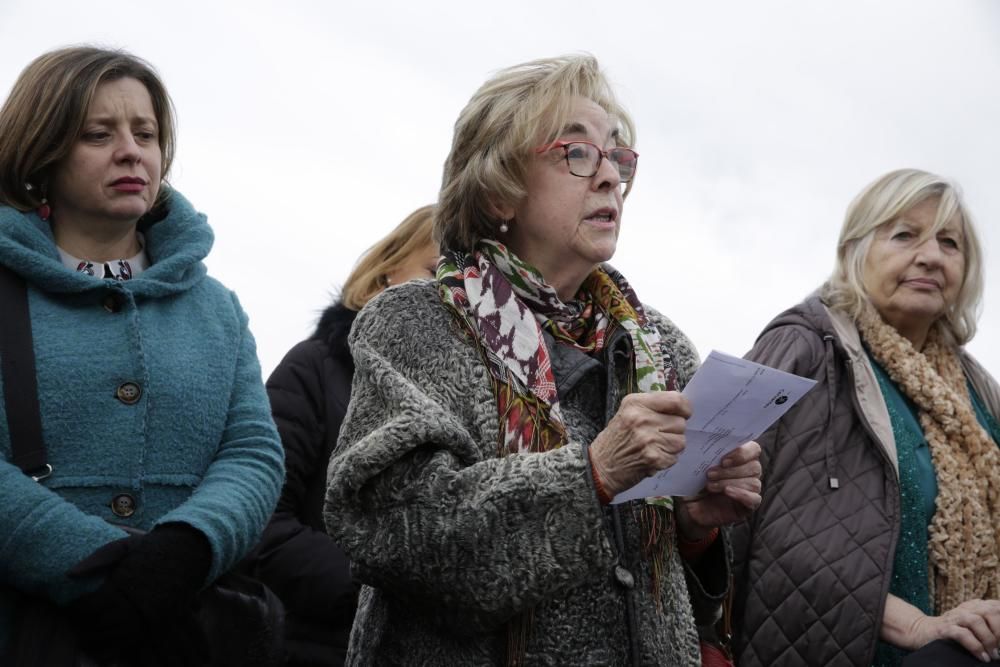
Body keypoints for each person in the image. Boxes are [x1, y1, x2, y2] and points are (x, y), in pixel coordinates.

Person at [322, 54, 762, 666]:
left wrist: (695, 527)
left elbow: (674, 600)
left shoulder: (660, 346)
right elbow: (391, 536)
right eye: (577, 153)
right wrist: (594, 475)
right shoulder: (416, 322)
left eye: (617, 156)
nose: (609, 176)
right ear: (500, 187)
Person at [0, 47, 285, 665]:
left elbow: (253, 453)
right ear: (41, 152)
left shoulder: (216, 306)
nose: (131, 151)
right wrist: (92, 570)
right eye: (98, 134)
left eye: (146, 133)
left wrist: (183, 552)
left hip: (189, 624)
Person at [731, 168, 1000, 666]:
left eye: (949, 242)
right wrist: (920, 627)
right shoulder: (801, 347)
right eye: (904, 235)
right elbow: (747, 527)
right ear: (853, 253)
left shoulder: (978, 394)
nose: (931, 256)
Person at [253, 204, 438, 666]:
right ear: (384, 276)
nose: (454, 295)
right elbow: (258, 517)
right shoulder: (315, 367)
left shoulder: (482, 404)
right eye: (437, 272)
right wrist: (374, 592)